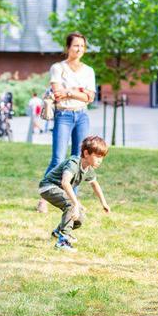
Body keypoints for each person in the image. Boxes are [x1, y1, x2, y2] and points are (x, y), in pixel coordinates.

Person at [36, 32, 96, 213]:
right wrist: (78, 91)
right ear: (68, 48)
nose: (79, 49)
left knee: (78, 160)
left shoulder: (88, 71)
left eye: (82, 46)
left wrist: (69, 91)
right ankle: (44, 199)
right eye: (75, 45)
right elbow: (57, 93)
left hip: (82, 115)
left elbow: (90, 97)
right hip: (64, 115)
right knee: (58, 158)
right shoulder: (58, 68)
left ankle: (73, 202)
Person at [38, 135, 111, 252]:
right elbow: (65, 182)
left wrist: (104, 203)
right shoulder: (74, 163)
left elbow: (95, 184)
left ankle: (58, 232)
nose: (100, 160)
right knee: (72, 206)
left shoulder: (89, 169)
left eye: (102, 157)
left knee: (80, 218)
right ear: (86, 153)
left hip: (59, 190)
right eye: (97, 156)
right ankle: (63, 241)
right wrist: (76, 203)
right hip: (48, 187)